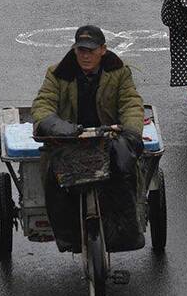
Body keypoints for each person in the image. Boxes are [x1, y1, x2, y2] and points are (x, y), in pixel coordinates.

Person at [31, 25, 145, 253]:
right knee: (55, 178)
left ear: (103, 50)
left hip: (107, 140)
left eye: (91, 50)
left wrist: (131, 133)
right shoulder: (56, 74)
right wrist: (61, 128)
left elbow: (131, 104)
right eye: (81, 50)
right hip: (69, 142)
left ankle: (127, 234)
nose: (85, 55)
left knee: (125, 169)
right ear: (74, 50)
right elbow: (42, 105)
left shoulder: (119, 73)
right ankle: (68, 238)